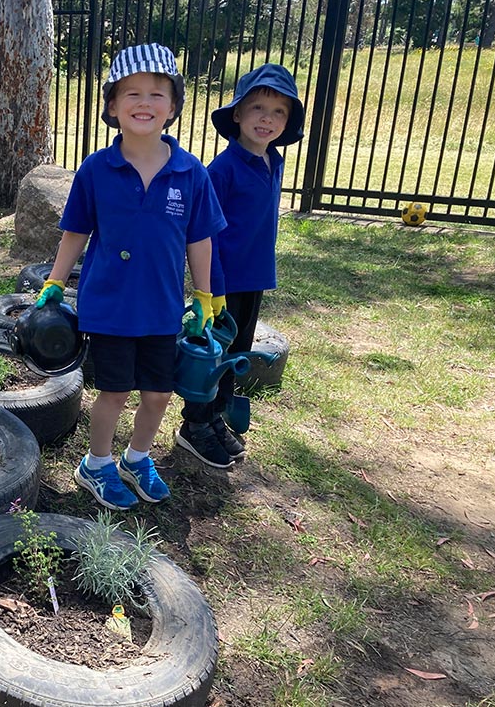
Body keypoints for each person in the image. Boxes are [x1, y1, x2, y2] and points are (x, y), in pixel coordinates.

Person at [36, 43, 226, 510]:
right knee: (115, 392)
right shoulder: (96, 170)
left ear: (174, 106)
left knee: (159, 394)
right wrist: (55, 282)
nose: (145, 103)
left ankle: (137, 457)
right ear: (113, 106)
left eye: (157, 94)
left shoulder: (191, 173)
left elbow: (199, 238)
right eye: (132, 93)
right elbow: (75, 230)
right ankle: (97, 464)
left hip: (162, 307)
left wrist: (204, 294)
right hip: (109, 305)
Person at [175, 63, 305, 468]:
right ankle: (194, 425)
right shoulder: (223, 170)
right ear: (237, 114)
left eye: (279, 111)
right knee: (211, 355)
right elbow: (202, 233)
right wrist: (209, 288)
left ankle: (216, 417)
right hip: (222, 282)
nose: (267, 119)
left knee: (236, 354)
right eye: (258, 108)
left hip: (254, 278)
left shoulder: (274, 162)